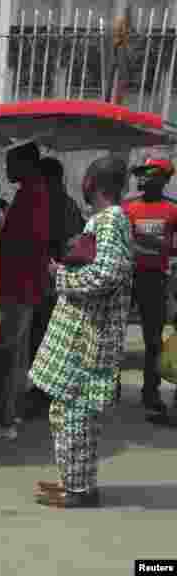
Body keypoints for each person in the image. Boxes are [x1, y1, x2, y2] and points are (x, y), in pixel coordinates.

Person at [31, 154, 134, 508]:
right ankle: (74, 483)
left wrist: (60, 276)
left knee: (73, 412)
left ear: (91, 183)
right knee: (73, 413)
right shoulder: (107, 220)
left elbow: (106, 274)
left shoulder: (110, 221)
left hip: (88, 338)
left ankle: (78, 490)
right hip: (85, 333)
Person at [0, 141, 51, 441]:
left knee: (8, 354)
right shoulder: (31, 193)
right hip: (22, 284)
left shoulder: (32, 196)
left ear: (26, 164)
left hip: (19, 286)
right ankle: (10, 415)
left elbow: (24, 243)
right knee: (15, 355)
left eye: (11, 163)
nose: (6, 169)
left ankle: (3, 421)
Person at [29, 157, 86, 418]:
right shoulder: (65, 204)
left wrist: (58, 272)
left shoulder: (58, 205)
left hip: (53, 282)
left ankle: (47, 394)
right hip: (50, 281)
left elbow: (73, 246)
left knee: (46, 338)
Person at [121, 157, 177, 419]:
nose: (142, 178)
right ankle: (111, 388)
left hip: (154, 280)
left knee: (153, 339)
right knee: (113, 334)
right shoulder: (127, 208)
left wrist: (163, 251)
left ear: (165, 178)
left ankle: (151, 393)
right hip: (126, 278)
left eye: (149, 173)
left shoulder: (172, 210)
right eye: (139, 173)